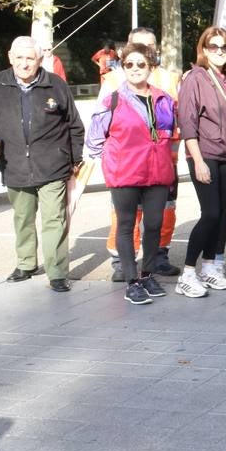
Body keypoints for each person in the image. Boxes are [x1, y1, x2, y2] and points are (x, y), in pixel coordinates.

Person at [0, 36, 84, 292]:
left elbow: (74, 125)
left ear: (39, 60)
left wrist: (74, 159)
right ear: (10, 57)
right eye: (20, 58)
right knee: (23, 218)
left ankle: (57, 272)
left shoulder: (55, 85)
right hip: (13, 164)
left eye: (30, 59)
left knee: (53, 220)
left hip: (52, 166)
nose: (24, 64)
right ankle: (26, 264)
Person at [85, 43, 175, 305]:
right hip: (124, 173)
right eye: (129, 65)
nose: (135, 69)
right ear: (123, 68)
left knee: (154, 224)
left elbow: (169, 134)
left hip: (157, 172)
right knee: (126, 226)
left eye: (141, 64)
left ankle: (147, 275)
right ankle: (131, 281)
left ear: (151, 67)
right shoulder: (112, 99)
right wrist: (112, 162)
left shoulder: (163, 99)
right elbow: (95, 139)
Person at [98, 27, 183, 280]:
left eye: (148, 48)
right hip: (127, 166)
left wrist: (172, 157)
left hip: (162, 164)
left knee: (164, 213)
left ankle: (158, 256)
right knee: (125, 216)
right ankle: (122, 263)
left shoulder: (170, 79)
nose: (141, 56)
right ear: (126, 48)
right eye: (137, 47)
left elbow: (175, 124)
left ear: (156, 51)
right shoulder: (114, 79)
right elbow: (100, 128)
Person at [177, 27, 226, 297]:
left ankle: (208, 266)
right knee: (211, 214)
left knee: (224, 216)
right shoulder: (196, 77)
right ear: (204, 49)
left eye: (225, 47)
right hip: (206, 154)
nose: (219, 51)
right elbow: (187, 122)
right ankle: (188, 272)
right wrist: (198, 161)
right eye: (213, 46)